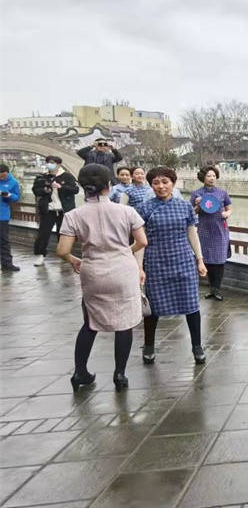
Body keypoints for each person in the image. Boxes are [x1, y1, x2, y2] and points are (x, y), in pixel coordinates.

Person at [56, 165, 147, 392]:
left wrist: (74, 260)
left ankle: (80, 372)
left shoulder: (73, 215)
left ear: (82, 188)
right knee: (124, 324)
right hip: (122, 271)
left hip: (93, 270)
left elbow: (62, 250)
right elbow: (142, 242)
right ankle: (120, 374)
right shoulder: (126, 212)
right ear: (109, 185)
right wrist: (126, 251)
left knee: (90, 322)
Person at [136, 166, 208, 365]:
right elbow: (140, 242)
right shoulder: (143, 209)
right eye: (156, 183)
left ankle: (197, 346)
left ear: (173, 183)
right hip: (156, 262)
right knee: (153, 307)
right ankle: (149, 345)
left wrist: (199, 259)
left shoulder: (184, 206)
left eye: (165, 182)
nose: (161, 186)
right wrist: (139, 267)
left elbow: (192, 233)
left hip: (183, 260)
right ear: (151, 185)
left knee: (191, 304)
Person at [190, 165, 233, 300]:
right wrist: (198, 204)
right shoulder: (197, 193)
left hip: (220, 229)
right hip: (204, 230)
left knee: (219, 260)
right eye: (209, 176)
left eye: (214, 176)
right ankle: (211, 288)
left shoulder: (222, 193)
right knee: (207, 259)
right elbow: (192, 212)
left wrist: (227, 213)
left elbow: (229, 208)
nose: (212, 178)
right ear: (203, 177)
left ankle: (217, 289)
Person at [32, 156, 78, 266]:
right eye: (47, 162)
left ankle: (65, 255)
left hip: (64, 210)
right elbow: (35, 190)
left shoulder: (67, 176)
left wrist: (61, 187)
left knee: (62, 233)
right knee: (43, 233)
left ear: (58, 164)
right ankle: (40, 255)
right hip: (49, 210)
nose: (49, 164)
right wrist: (44, 190)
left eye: (52, 162)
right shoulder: (41, 176)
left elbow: (75, 190)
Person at [1, 164, 21, 272]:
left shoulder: (13, 182)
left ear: (7, 173)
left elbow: (16, 197)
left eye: (3, 177)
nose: (2, 178)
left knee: (4, 241)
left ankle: (7, 263)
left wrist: (8, 195)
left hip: (2, 216)